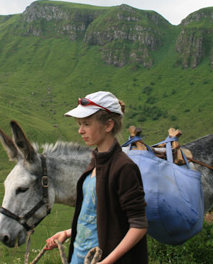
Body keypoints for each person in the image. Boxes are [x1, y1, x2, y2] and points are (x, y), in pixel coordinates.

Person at [44, 91, 148, 264]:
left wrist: (107, 261)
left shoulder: (124, 168)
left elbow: (139, 225)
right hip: (79, 257)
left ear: (107, 125)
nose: (80, 130)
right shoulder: (95, 161)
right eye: (79, 124)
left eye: (86, 124)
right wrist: (69, 233)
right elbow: (96, 215)